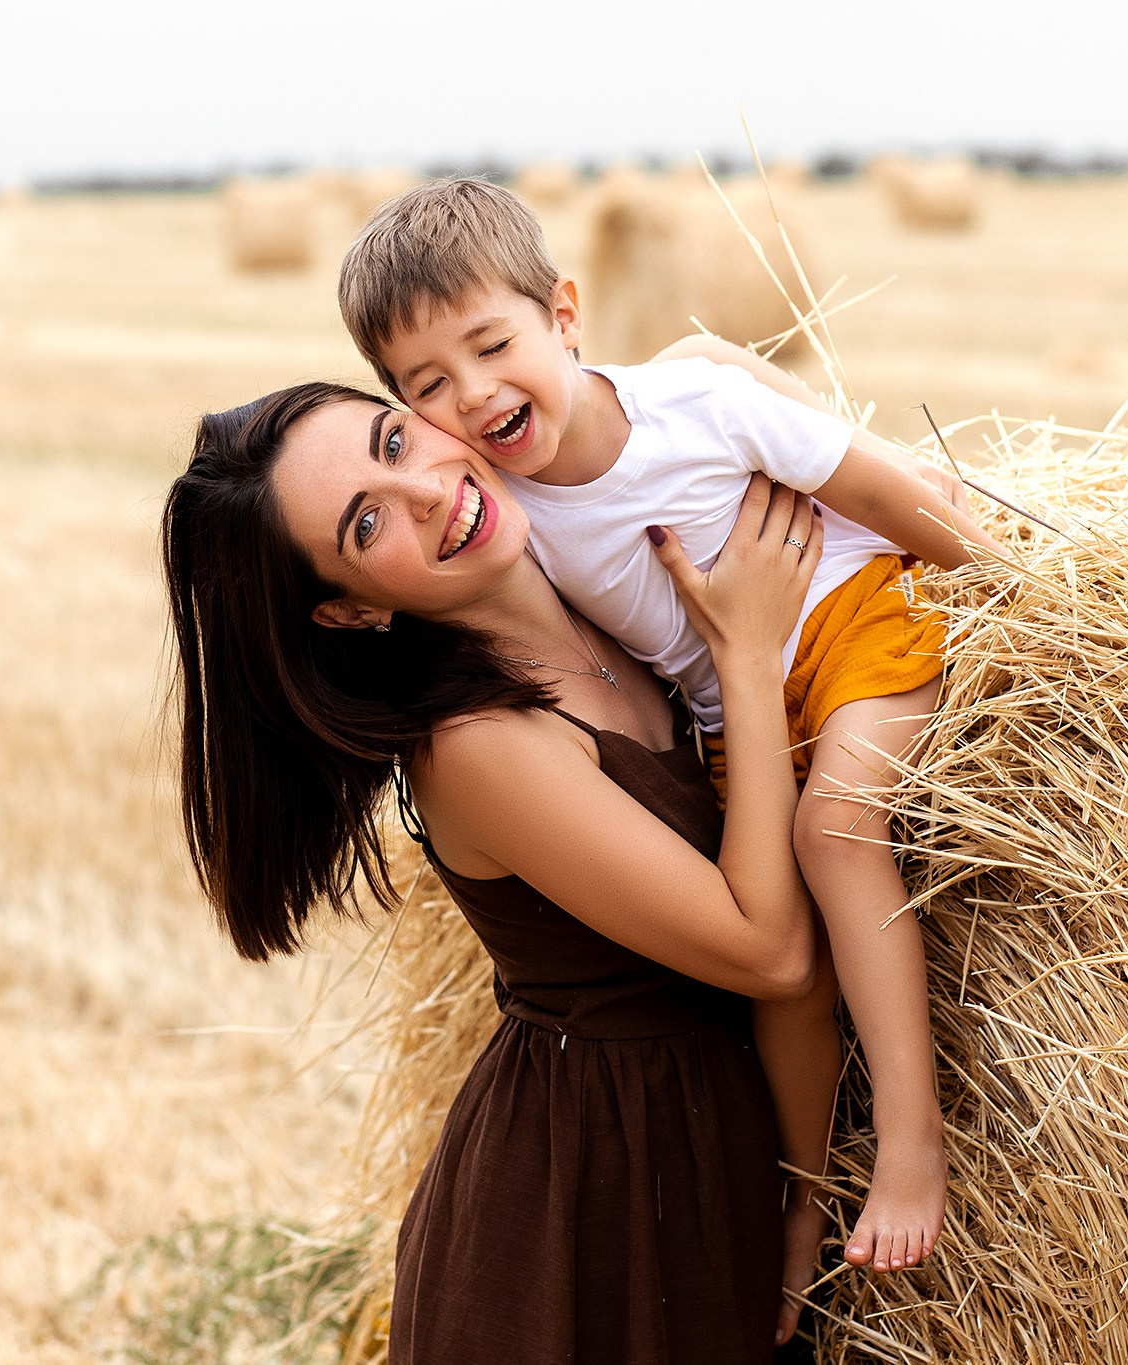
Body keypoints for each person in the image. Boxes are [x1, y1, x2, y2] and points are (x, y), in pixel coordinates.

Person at [336, 178, 1018, 1281]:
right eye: (429, 386)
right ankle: (800, 1198)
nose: (472, 392)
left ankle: (909, 1146)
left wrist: (1036, 593)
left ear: (564, 313)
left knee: (836, 833)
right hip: (729, 718)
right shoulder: (512, 525)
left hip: (847, 627)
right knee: (777, 981)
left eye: (490, 344)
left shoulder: (696, 404)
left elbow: (879, 485)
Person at [161, 378, 831, 1360]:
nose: (425, 492)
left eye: (394, 442)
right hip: (587, 1201)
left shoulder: (614, 592)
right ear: (347, 612)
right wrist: (747, 655)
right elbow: (768, 951)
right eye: (364, 523)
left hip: (702, 1145)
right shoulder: (474, 746)